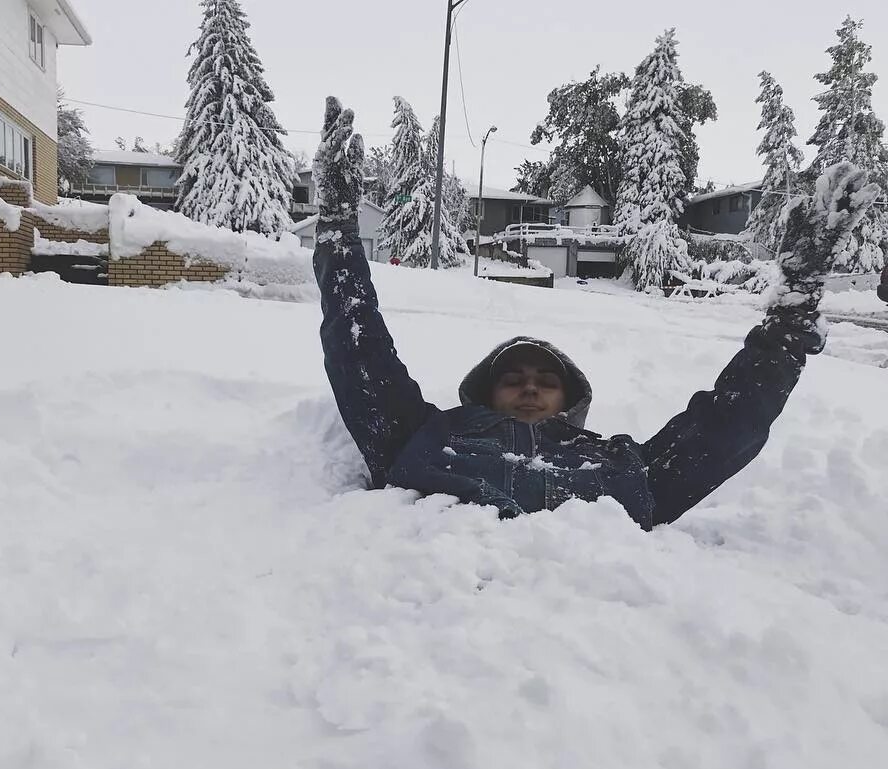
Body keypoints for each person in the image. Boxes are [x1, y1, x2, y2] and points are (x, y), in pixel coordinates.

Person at [311, 97, 880, 530]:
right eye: (512, 380)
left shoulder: (625, 464)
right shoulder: (422, 434)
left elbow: (728, 425)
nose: (529, 389)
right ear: (484, 393)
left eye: (544, 381)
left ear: (571, 400)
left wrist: (793, 310)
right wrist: (338, 225)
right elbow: (358, 349)